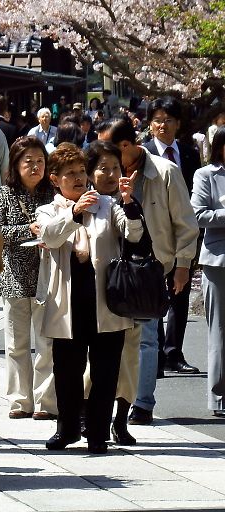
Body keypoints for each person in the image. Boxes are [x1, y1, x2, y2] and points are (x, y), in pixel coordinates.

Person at [36, 142, 143, 454]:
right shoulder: (49, 210)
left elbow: (133, 233)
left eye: (82, 171)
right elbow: (50, 236)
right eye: (70, 173)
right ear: (55, 179)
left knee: (105, 370)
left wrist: (128, 202)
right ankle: (67, 429)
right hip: (66, 305)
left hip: (105, 302)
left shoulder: (107, 206)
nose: (80, 178)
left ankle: (97, 432)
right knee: (66, 371)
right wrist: (74, 211)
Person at [95, 118, 198, 426]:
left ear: (126, 146)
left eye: (110, 149)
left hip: (150, 267)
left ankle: (141, 403)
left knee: (147, 337)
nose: (103, 157)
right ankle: (109, 401)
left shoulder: (164, 172)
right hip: (110, 266)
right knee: (109, 338)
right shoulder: (102, 174)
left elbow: (185, 222)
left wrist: (182, 265)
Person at [82, 140, 147, 445]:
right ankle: (89, 416)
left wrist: (129, 202)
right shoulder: (80, 202)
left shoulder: (126, 202)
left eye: (115, 168)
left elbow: (136, 235)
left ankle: (121, 418)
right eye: (102, 168)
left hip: (127, 293)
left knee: (129, 358)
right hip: (91, 295)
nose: (109, 174)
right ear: (89, 172)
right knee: (91, 362)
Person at [0, 136, 56, 420]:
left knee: (46, 344)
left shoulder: (53, 194)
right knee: (16, 345)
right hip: (14, 277)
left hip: (48, 277)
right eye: (28, 161)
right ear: (16, 164)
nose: (35, 166)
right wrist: (26, 231)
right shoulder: (3, 194)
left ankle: (46, 402)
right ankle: (20, 401)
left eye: (40, 161)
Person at [143, 96, 202, 375]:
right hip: (153, 236)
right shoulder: (143, 154)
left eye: (168, 120)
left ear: (178, 124)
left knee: (180, 292)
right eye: (157, 120)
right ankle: (154, 352)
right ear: (150, 124)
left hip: (182, 233)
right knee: (153, 295)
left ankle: (174, 353)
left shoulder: (189, 153)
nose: (162, 125)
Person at [190, 126, 225, 418]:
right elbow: (198, 214)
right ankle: (219, 396)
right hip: (219, 260)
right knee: (219, 330)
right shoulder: (206, 175)